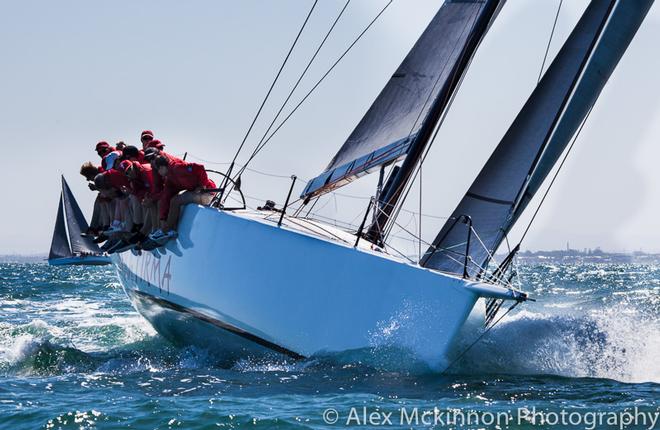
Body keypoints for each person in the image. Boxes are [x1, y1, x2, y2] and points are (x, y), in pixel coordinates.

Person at [149, 155, 216, 244]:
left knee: (176, 201)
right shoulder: (170, 177)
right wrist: (162, 218)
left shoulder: (177, 168)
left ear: (162, 167)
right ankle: (167, 229)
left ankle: (168, 230)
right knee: (172, 200)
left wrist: (202, 186)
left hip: (207, 193)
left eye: (158, 170)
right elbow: (165, 196)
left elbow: (199, 168)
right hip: (195, 192)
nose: (158, 172)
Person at [117, 160, 157, 244]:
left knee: (150, 203)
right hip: (155, 194)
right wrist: (130, 192)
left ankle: (148, 231)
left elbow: (156, 189)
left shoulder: (145, 171)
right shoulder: (134, 178)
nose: (128, 175)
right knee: (141, 200)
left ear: (132, 167)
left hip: (163, 193)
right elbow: (138, 193)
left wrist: (149, 197)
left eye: (128, 171)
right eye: (126, 174)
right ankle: (141, 230)